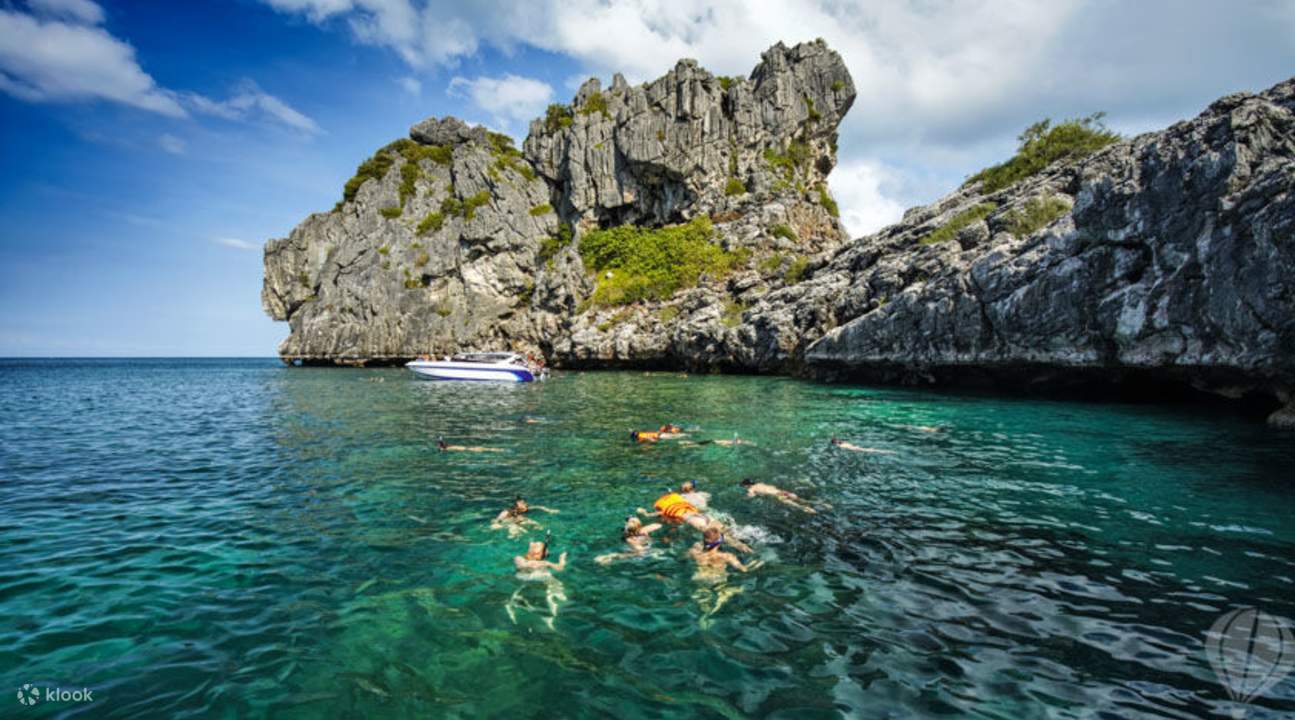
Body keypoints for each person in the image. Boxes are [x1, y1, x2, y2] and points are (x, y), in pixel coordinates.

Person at [689, 525, 762, 628]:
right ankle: (710, 613)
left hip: (699, 576)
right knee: (724, 594)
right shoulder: (726, 556)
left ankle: (703, 614)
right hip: (716, 579)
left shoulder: (694, 551)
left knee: (702, 597)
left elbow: (683, 556)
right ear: (719, 542)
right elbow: (743, 569)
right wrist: (755, 564)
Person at [638, 491, 752, 553]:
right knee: (725, 530)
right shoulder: (678, 503)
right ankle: (744, 542)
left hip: (693, 520)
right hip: (704, 516)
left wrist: (644, 513)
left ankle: (742, 547)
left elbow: (659, 517)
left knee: (721, 536)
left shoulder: (663, 512)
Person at [508, 534, 568, 630]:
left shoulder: (544, 561)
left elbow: (560, 568)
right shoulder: (519, 558)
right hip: (526, 577)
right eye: (536, 548)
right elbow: (523, 566)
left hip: (542, 578)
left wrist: (562, 560)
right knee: (520, 593)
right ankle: (515, 605)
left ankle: (552, 613)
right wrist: (544, 563)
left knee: (555, 585)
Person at [595, 516, 663, 565]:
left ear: (627, 531)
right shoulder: (644, 530)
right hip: (649, 547)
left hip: (641, 557)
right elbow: (658, 525)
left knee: (613, 555)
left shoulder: (629, 539)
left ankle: (609, 558)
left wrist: (616, 556)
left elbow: (642, 552)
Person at [740, 478, 819, 514]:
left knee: (797, 505)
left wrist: (744, 498)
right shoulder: (760, 483)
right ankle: (824, 504)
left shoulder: (751, 489)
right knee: (803, 500)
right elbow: (772, 487)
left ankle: (809, 509)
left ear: (747, 485)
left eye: (744, 486)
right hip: (782, 491)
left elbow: (751, 496)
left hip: (778, 496)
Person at [492, 496, 559, 537]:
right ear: (516, 506)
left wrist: (550, 510)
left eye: (525, 503)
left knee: (530, 521)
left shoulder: (523, 510)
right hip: (508, 523)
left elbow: (538, 507)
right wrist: (497, 525)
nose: (526, 504)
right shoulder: (506, 512)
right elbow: (496, 521)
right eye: (523, 503)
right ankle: (514, 535)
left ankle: (538, 528)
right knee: (514, 527)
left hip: (517, 521)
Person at [829, 437, 894, 454]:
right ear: (835, 442)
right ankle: (888, 451)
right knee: (873, 450)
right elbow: (848, 447)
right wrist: (856, 448)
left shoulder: (840, 444)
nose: (838, 440)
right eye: (836, 440)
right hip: (855, 448)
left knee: (872, 450)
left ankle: (888, 451)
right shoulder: (840, 445)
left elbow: (846, 444)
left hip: (855, 448)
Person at [438, 437, 503, 453]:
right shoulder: (451, 446)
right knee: (486, 449)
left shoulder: (448, 448)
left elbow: (442, 449)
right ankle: (497, 449)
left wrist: (441, 447)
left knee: (486, 450)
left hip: (469, 449)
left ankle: (497, 450)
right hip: (469, 448)